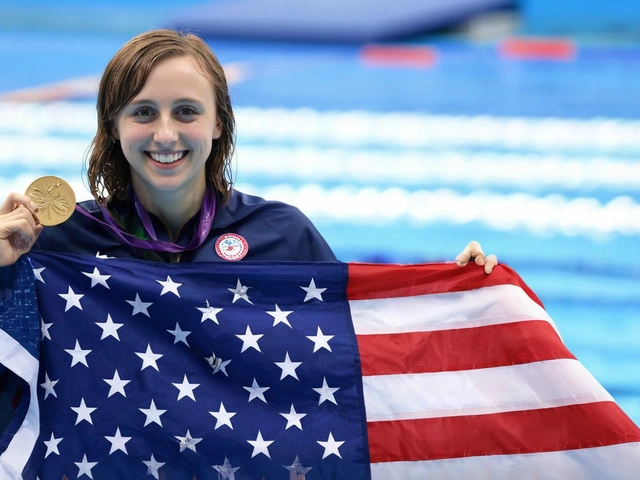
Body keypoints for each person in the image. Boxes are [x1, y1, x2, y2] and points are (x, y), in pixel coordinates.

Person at [0, 29, 497, 478]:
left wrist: (454, 298)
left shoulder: (279, 234)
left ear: (219, 126)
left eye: (187, 111)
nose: (166, 134)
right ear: (113, 127)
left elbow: (357, 350)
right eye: (143, 112)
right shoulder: (61, 242)